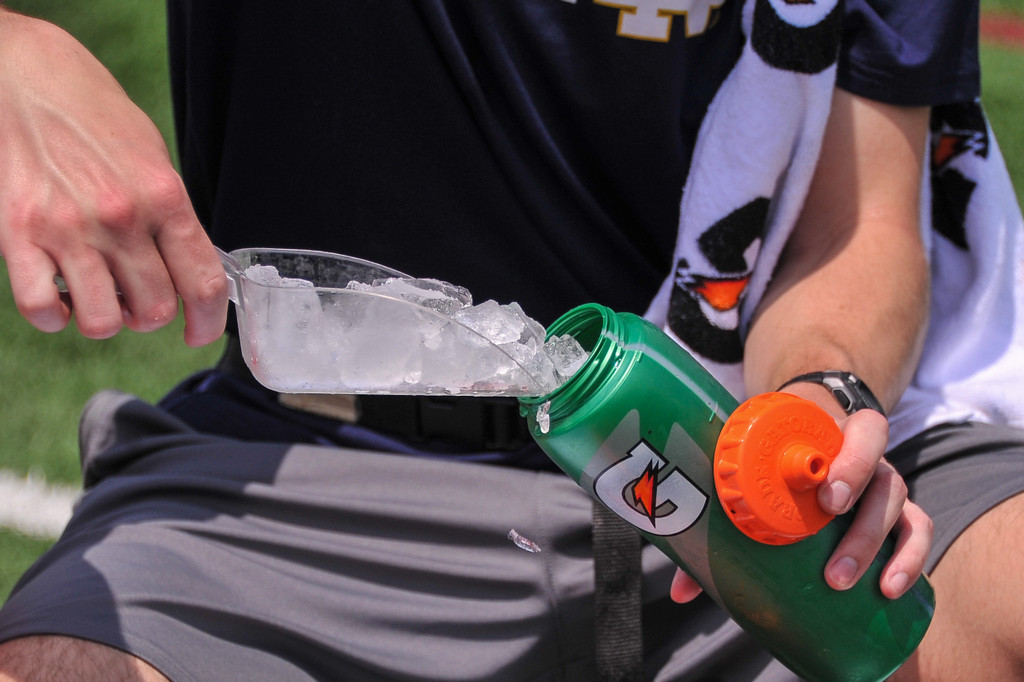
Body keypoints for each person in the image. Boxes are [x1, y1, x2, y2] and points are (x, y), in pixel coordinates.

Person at [0, 1, 1021, 680]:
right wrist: (14, 51)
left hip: (711, 455)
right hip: (302, 481)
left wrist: (815, 401)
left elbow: (859, 221)